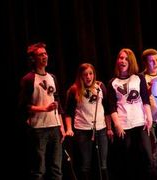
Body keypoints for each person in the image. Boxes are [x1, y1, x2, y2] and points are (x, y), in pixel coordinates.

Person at [106, 48, 157, 179]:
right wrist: (117, 125)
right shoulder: (113, 82)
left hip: (140, 123)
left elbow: (145, 99)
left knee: (148, 157)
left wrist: (149, 117)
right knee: (128, 160)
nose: (122, 61)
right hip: (124, 126)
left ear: (131, 62)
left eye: (126, 59)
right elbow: (111, 107)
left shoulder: (138, 78)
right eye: (120, 58)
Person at [20, 42, 65, 180]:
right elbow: (23, 106)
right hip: (39, 128)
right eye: (40, 54)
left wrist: (61, 126)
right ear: (34, 59)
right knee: (39, 169)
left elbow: (58, 103)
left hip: (55, 127)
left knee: (57, 168)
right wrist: (44, 109)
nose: (44, 56)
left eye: (45, 53)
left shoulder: (52, 77)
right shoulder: (28, 79)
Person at [64, 63, 113, 180]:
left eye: (91, 74)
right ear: (80, 76)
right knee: (86, 164)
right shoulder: (74, 90)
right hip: (82, 131)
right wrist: (69, 129)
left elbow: (107, 110)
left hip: (100, 129)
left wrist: (109, 128)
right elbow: (68, 113)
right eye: (85, 74)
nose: (88, 77)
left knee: (103, 164)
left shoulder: (100, 87)